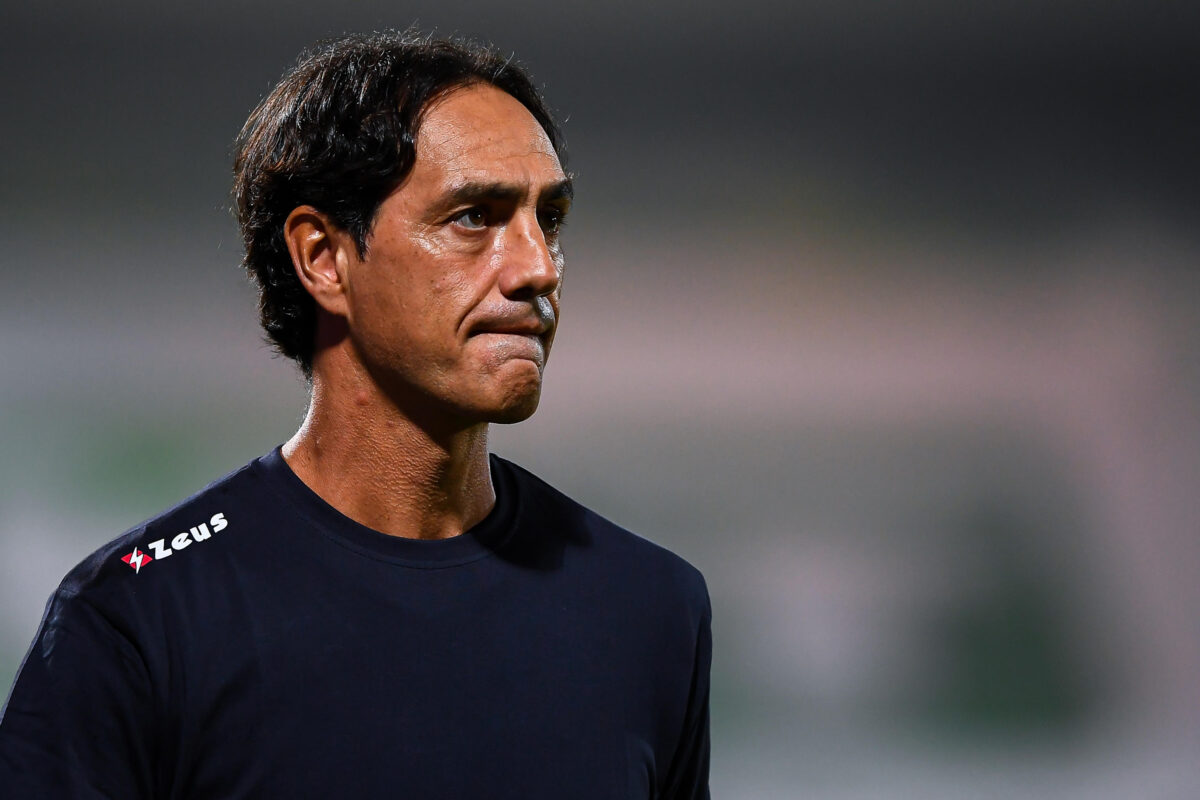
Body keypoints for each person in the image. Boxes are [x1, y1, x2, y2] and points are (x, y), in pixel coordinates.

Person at [0, 30, 711, 799]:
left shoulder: (649, 606)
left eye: (552, 219)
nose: (537, 266)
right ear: (323, 258)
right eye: (475, 217)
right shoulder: (141, 618)